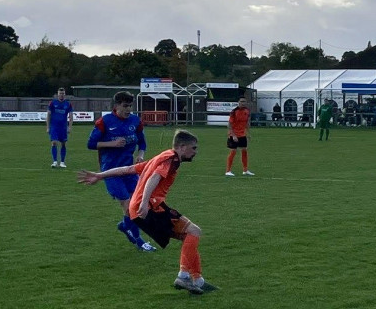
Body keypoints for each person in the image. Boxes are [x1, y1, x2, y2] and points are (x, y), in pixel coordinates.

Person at [77, 130, 216, 294]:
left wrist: (100, 175)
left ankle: (198, 280)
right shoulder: (172, 159)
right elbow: (154, 178)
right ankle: (184, 276)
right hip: (150, 208)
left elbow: (128, 169)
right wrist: (144, 203)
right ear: (182, 147)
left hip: (140, 209)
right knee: (194, 231)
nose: (195, 152)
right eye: (193, 148)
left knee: (190, 236)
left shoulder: (160, 157)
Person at [86, 90, 156, 252]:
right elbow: (90, 144)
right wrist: (111, 144)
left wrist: (140, 155)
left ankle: (125, 226)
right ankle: (139, 241)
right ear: (116, 106)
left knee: (138, 204)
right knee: (127, 205)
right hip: (110, 172)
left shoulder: (135, 121)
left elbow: (142, 143)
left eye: (130, 105)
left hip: (129, 170)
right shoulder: (104, 122)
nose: (128, 109)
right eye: (125, 106)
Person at [225, 97, 254, 176]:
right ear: (238, 102)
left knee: (244, 151)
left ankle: (245, 170)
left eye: (244, 101)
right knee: (233, 151)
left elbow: (247, 123)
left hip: (242, 134)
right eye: (241, 101)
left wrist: (248, 134)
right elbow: (229, 125)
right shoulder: (234, 112)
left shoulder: (247, 111)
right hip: (233, 134)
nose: (243, 103)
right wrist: (233, 135)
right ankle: (228, 171)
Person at [46, 87, 74, 167]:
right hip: (54, 126)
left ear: (65, 95)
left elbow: (71, 116)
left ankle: (62, 162)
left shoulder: (68, 104)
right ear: (57, 94)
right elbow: (48, 115)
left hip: (63, 127)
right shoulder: (52, 103)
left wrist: (70, 127)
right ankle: (54, 161)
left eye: (63, 93)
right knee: (54, 142)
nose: (61, 95)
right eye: (60, 93)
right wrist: (48, 127)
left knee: (63, 144)